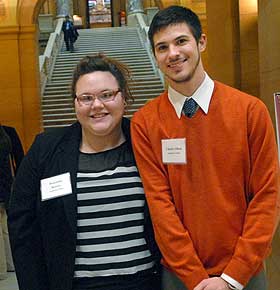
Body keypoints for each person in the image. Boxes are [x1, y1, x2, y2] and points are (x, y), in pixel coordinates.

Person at [131, 5, 279, 290]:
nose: (172, 53)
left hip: (245, 274)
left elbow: (267, 196)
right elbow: (160, 206)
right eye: (162, 47)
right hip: (181, 276)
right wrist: (196, 277)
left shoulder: (250, 111)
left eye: (181, 41)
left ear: (201, 42)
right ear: (155, 56)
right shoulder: (145, 123)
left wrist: (233, 276)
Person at [8, 54, 161, 290]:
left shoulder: (148, 144)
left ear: (124, 98)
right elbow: (22, 227)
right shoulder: (45, 150)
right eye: (86, 98)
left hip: (145, 282)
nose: (97, 105)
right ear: (75, 104)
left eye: (107, 95)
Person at [0, 125, 24, 280]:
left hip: (5, 185)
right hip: (7, 185)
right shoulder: (7, 132)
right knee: (5, 225)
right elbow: (20, 159)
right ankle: (11, 263)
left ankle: (1, 270)